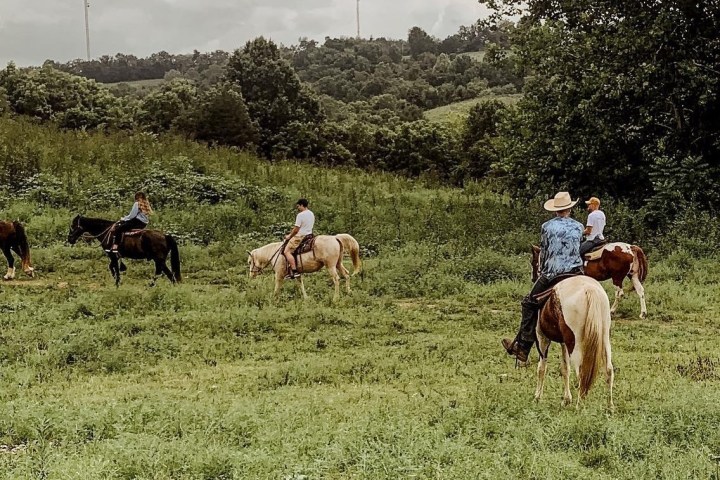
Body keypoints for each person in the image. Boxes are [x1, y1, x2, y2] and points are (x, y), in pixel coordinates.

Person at [502, 192, 584, 362]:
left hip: (554, 273)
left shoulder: (547, 227)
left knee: (529, 302)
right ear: (570, 208)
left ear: (556, 210)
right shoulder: (579, 226)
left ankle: (523, 347)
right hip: (576, 272)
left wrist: (545, 267)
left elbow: (545, 252)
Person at [283, 198, 315, 279]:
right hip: (310, 234)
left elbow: (296, 229)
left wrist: (289, 236)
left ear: (301, 205)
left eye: (298, 206)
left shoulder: (300, 215)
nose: (298, 208)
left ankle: (294, 270)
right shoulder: (311, 213)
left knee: (286, 251)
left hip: (300, 236)